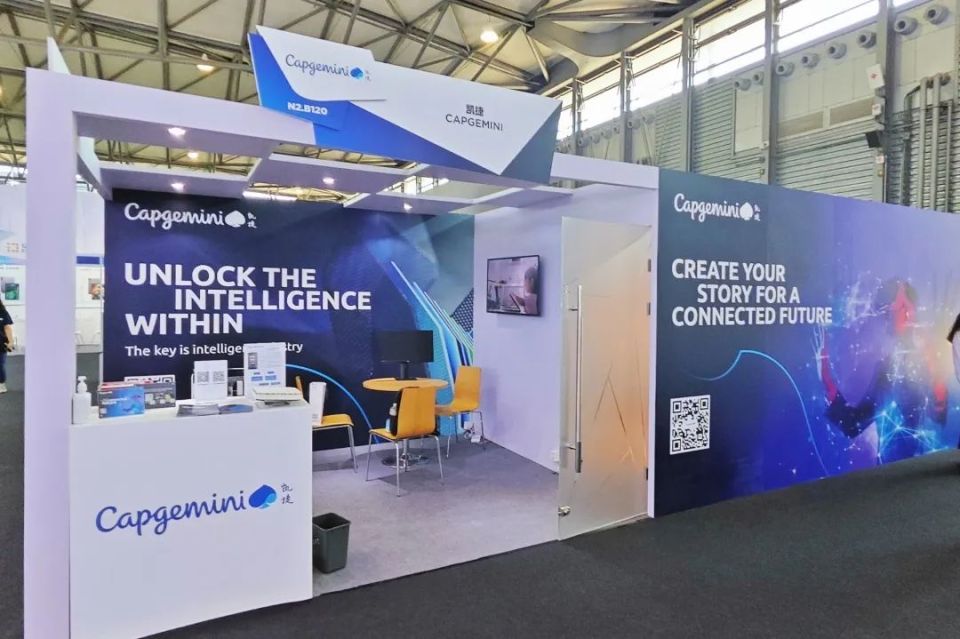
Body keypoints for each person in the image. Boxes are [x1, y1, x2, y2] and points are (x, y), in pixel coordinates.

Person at [814, 279, 948, 463]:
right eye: (900, 306)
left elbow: (939, 416)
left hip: (933, 468)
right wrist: (825, 375)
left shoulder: (931, 358)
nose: (907, 311)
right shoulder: (887, 370)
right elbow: (853, 424)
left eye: (908, 303)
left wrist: (939, 382)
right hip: (898, 472)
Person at [0, 299, 13, 393]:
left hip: (1, 344)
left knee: (0, 365)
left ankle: (1, 384)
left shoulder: (3, 312)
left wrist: (11, 342)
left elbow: (7, 328)